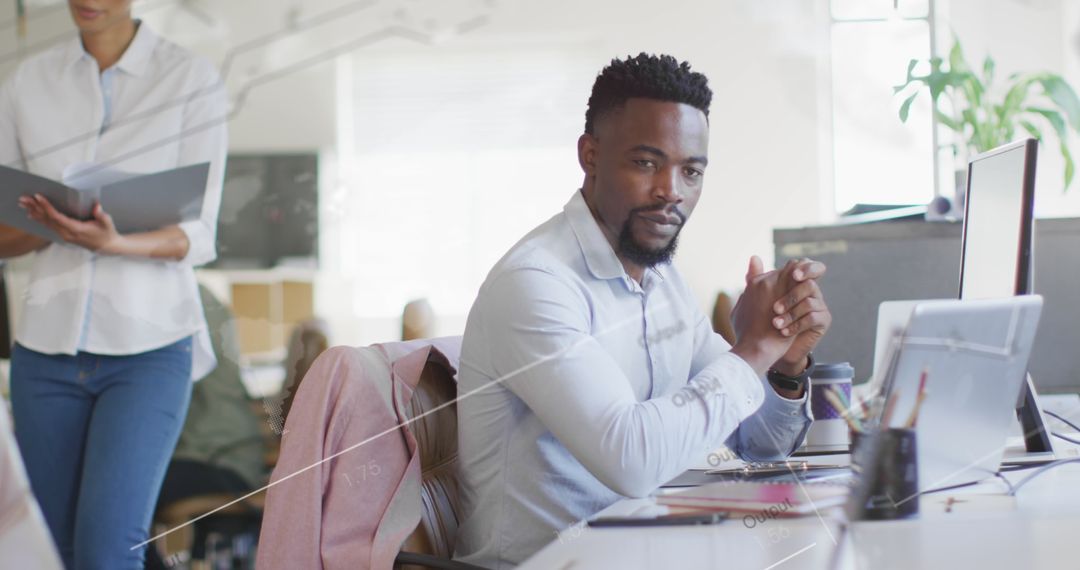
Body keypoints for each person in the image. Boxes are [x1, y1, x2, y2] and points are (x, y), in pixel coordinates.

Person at [453, 53, 831, 567]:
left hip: (647, 551)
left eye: (691, 171)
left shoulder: (662, 280)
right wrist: (751, 351)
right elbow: (631, 459)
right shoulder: (536, 284)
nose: (671, 192)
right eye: (646, 162)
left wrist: (784, 365)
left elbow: (756, 443)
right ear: (590, 154)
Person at [0, 1, 227, 567]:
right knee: (46, 550)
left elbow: (197, 235)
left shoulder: (189, 77)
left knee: (108, 549)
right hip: (45, 352)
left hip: (148, 351)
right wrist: (50, 225)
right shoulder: (28, 80)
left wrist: (111, 242)